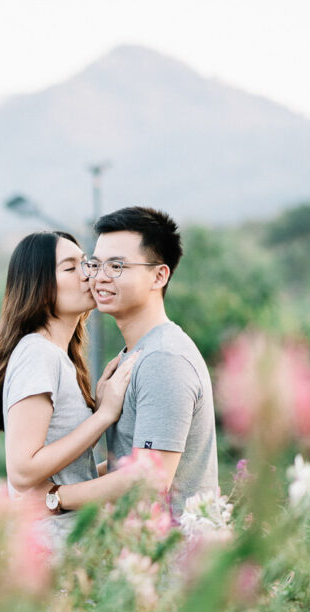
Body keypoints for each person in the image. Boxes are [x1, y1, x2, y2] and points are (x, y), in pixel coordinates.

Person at [51, 206, 219, 517]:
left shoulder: (164, 358)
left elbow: (148, 479)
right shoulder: (136, 353)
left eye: (116, 266)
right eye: (96, 264)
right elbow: (128, 463)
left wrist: (57, 498)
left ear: (159, 275)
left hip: (177, 558)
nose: (100, 278)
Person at [0, 230, 138, 539]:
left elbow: (68, 472)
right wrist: (104, 416)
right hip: (51, 548)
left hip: (68, 543)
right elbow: (23, 471)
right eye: (70, 267)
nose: (88, 274)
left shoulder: (58, 356)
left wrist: (127, 470)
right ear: (40, 286)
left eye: (86, 263)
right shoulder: (38, 354)